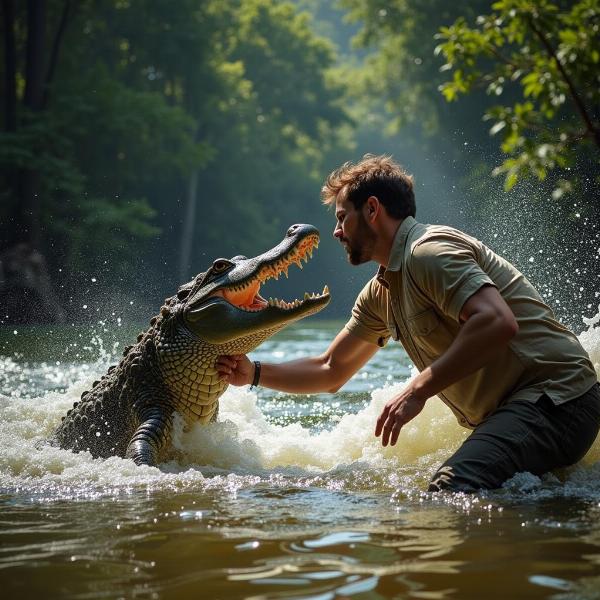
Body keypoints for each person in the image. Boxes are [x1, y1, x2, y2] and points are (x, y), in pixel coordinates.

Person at [216, 155, 600, 492]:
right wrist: (253, 373)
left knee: (452, 486)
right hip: (528, 409)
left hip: (559, 400)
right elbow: (330, 369)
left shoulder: (428, 252)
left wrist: (417, 390)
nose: (336, 232)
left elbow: (498, 322)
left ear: (371, 210)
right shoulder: (381, 292)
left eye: (341, 217)